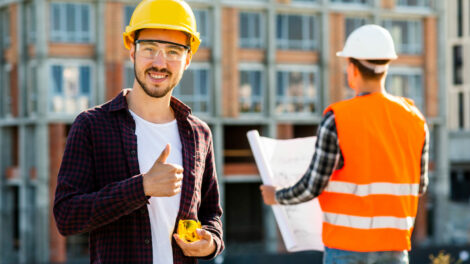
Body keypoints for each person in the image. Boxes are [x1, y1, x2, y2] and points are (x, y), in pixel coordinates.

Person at [53, 0, 223, 263]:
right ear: (132, 51)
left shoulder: (199, 134)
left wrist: (210, 242)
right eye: (150, 49)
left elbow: (212, 213)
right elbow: (66, 217)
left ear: (188, 59)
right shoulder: (92, 126)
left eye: (173, 52)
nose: (159, 62)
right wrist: (142, 187)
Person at [260, 24, 428, 264]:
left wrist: (277, 196)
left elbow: (312, 186)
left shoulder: (337, 119)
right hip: (395, 249)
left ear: (352, 68)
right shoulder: (415, 119)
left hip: (346, 249)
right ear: (386, 67)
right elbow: (420, 186)